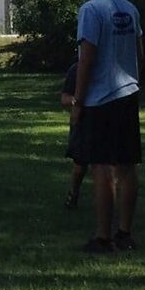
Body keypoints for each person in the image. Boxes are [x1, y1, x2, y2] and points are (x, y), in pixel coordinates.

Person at [69, 0, 143, 253]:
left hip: (101, 98)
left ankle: (103, 237)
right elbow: (140, 52)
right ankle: (125, 233)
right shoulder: (129, 7)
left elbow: (86, 59)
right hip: (128, 92)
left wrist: (78, 101)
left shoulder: (91, 10)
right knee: (126, 167)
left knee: (100, 167)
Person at [61, 60, 88, 209]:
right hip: (83, 122)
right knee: (79, 167)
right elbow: (64, 98)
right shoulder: (75, 70)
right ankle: (74, 192)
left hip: (104, 120)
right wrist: (77, 101)